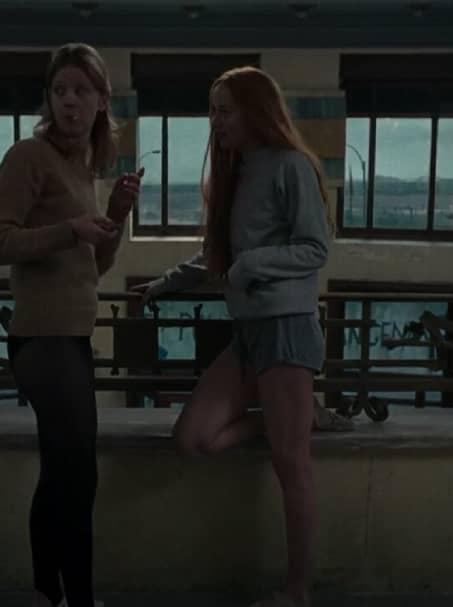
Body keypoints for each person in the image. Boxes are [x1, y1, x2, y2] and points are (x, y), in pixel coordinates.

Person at [130, 66, 331, 607]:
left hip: (286, 330)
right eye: (212, 111)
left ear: (255, 111)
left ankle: (297, 593)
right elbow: (216, 255)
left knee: (291, 467)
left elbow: (315, 248)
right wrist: (165, 283)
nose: (215, 121)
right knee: (193, 439)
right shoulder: (235, 173)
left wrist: (249, 266)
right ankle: (290, 418)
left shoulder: (291, 165)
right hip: (247, 336)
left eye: (225, 110)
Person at [0, 43, 140, 607]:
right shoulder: (29, 155)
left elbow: (92, 267)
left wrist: (114, 217)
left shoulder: (81, 168)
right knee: (77, 478)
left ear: (101, 100)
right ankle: (78, 599)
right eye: (60, 90)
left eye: (81, 90)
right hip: (41, 341)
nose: (70, 101)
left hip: (70, 340)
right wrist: (70, 229)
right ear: (49, 99)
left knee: (61, 475)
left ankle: (47, 593)